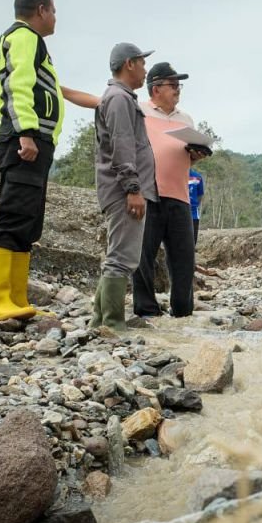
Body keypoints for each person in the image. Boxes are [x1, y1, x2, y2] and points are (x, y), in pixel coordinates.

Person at [0, 0, 100, 324]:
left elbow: (44, 87)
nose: (56, 18)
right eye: (54, 11)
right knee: (14, 215)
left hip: (35, 143)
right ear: (42, 9)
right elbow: (16, 86)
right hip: (23, 142)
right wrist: (26, 133)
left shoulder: (30, 42)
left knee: (28, 222)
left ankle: (16, 299)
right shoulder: (24, 37)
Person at [131, 62, 209, 318]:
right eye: (173, 85)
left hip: (180, 195)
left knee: (184, 257)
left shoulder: (185, 119)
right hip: (148, 193)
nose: (177, 90)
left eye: (179, 85)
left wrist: (196, 155)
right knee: (144, 255)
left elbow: (186, 158)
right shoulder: (138, 111)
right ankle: (146, 310)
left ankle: (183, 310)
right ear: (156, 88)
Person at [90, 42, 157, 330]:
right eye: (142, 63)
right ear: (129, 64)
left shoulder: (120, 97)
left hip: (120, 189)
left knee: (119, 254)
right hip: (122, 191)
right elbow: (122, 146)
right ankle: (113, 325)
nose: (145, 69)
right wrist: (133, 188)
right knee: (122, 257)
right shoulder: (118, 99)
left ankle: (99, 321)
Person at [188, 167, 205, 245]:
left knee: (192, 242)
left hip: (193, 214)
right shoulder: (175, 175)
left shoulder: (198, 177)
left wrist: (194, 205)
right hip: (177, 214)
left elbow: (200, 195)